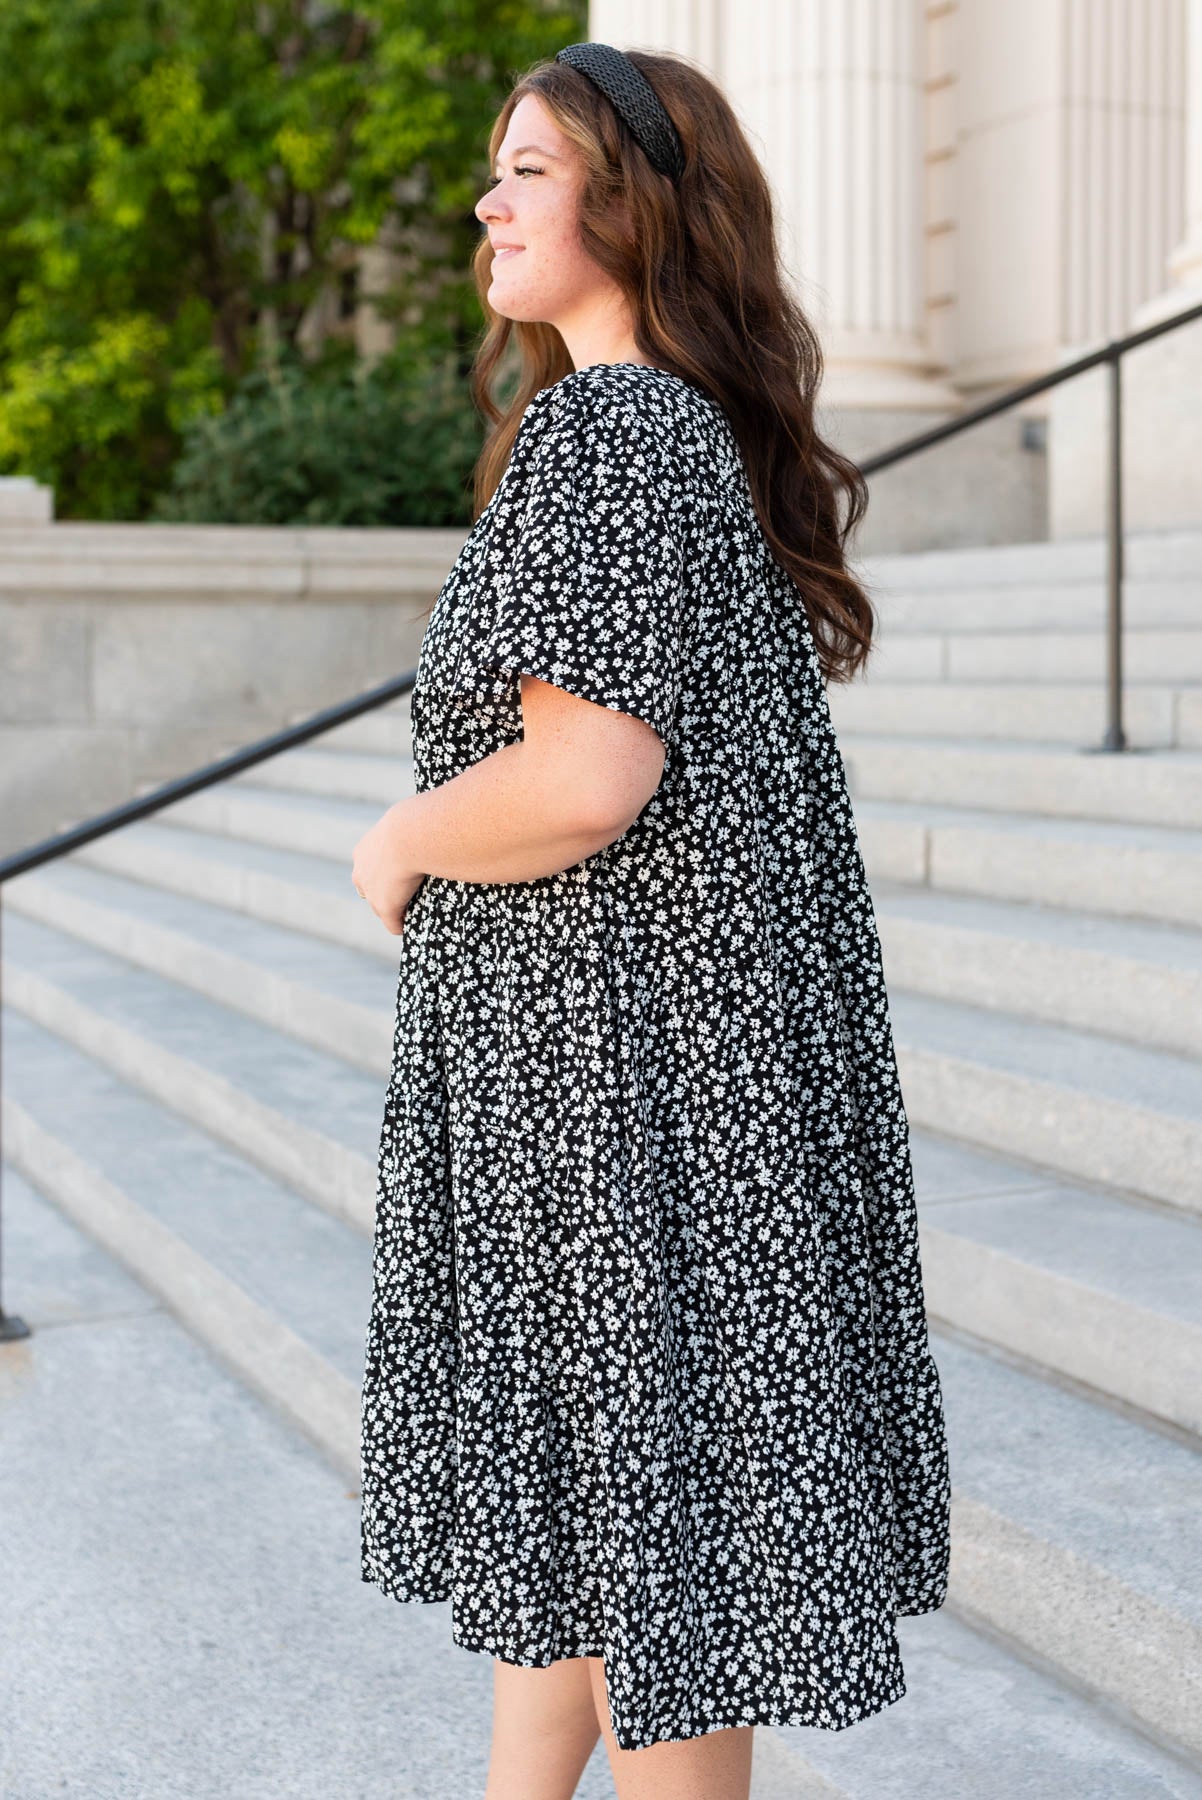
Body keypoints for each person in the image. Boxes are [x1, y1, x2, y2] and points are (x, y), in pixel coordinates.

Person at [351, 40, 951, 1800]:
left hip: (615, 1112)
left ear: (634, 200)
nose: (487, 200)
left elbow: (583, 776)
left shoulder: (613, 429)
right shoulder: (661, 434)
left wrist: (399, 839)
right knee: (590, 1563)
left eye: (526, 169)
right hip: (619, 1106)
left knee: (652, 1587)